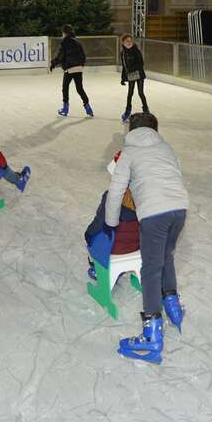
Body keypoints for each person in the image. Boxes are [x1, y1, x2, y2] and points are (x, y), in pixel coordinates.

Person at [105, 112, 189, 364]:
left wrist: (111, 223)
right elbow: (177, 174)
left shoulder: (129, 152)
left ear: (131, 129)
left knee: (151, 269)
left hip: (154, 213)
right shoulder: (166, 147)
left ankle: (152, 335)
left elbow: (117, 190)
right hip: (180, 208)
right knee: (167, 256)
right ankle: (173, 308)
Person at [84, 157, 140, 279]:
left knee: (94, 237)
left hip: (113, 250)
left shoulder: (111, 198)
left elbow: (98, 223)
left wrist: (88, 235)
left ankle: (97, 269)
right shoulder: (147, 202)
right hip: (137, 249)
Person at [49, 24, 93, 118]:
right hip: (78, 68)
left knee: (65, 87)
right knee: (79, 89)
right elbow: (83, 55)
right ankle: (88, 107)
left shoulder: (65, 41)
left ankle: (65, 109)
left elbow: (60, 55)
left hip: (69, 68)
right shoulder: (77, 41)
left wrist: (53, 63)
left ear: (64, 33)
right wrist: (81, 65)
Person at [120, 34, 149, 123]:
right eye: (127, 41)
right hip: (131, 75)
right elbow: (124, 66)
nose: (129, 43)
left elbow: (141, 63)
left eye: (130, 41)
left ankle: (146, 110)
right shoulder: (123, 52)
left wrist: (132, 70)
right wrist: (122, 78)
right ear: (123, 42)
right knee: (130, 93)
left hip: (139, 74)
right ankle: (128, 110)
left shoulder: (136, 51)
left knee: (140, 92)